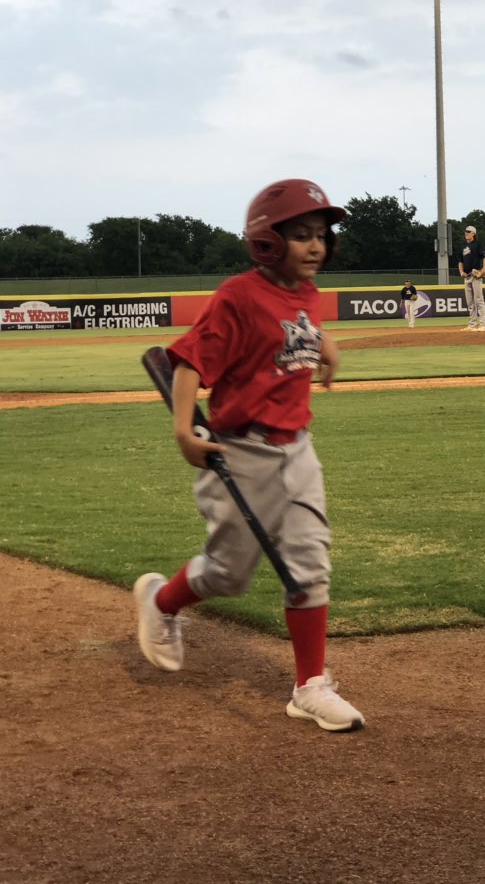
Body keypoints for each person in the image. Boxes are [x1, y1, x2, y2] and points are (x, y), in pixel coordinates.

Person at [133, 179, 365, 733]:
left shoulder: (306, 293)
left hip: (298, 449)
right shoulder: (238, 294)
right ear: (268, 240)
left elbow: (298, 326)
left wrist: (325, 345)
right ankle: (162, 603)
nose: (315, 246)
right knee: (227, 575)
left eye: (321, 237)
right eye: (302, 235)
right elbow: (188, 362)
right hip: (239, 453)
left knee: (310, 561)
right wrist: (184, 431)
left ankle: (310, 686)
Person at [457, 225, 485, 331]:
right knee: (470, 302)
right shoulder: (463, 246)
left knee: (479, 300)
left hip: (476, 275)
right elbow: (460, 261)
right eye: (465, 231)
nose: (466, 233)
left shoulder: (478, 244)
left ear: (473, 233)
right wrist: (461, 271)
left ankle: (483, 325)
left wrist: (484, 269)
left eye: (468, 231)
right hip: (467, 277)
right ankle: (472, 325)